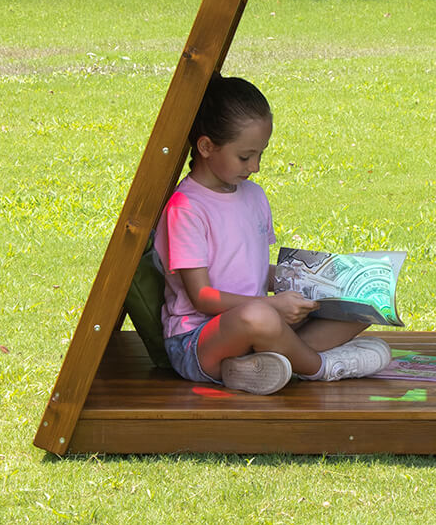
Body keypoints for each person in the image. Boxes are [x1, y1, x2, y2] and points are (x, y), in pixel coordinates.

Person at [156, 74, 391, 394]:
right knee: (258, 318)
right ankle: (321, 367)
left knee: (366, 300)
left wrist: (314, 283)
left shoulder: (253, 196)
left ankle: (259, 366)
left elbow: (253, 270)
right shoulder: (186, 208)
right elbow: (202, 297)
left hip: (261, 322)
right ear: (207, 146)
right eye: (245, 156)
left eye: (260, 155)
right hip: (199, 341)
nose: (255, 166)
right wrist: (272, 308)